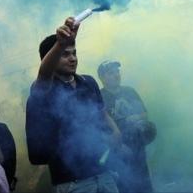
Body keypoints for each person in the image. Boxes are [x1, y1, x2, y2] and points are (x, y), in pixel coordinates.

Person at [25, 17, 121, 193]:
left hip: (104, 173)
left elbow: (102, 112)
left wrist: (115, 132)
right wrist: (59, 44)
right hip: (73, 181)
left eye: (74, 53)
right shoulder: (44, 89)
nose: (72, 59)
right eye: (64, 54)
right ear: (50, 59)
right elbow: (44, 74)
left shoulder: (88, 82)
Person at [98, 60, 156, 193]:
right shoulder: (100, 96)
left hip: (138, 149)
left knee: (144, 186)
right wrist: (119, 146)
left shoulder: (130, 91)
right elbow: (100, 128)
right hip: (117, 154)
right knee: (124, 186)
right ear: (102, 77)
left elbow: (144, 114)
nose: (116, 75)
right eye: (111, 73)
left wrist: (134, 117)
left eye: (117, 71)